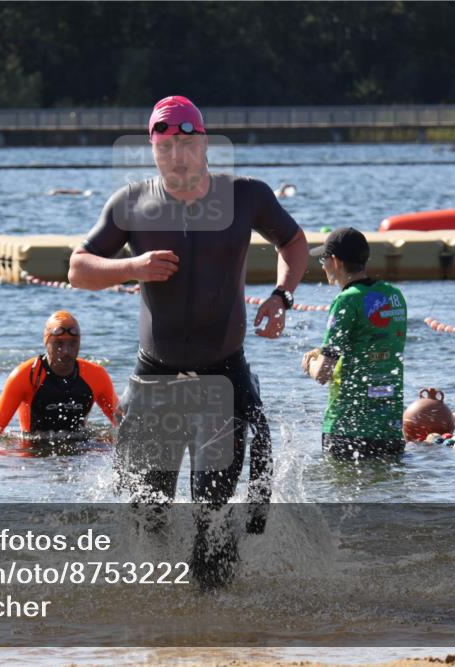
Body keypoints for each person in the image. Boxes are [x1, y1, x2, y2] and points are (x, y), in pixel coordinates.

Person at [68, 95, 308, 515]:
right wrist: (132, 266)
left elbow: (292, 241)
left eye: (186, 145)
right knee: (147, 513)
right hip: (156, 379)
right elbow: (78, 269)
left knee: (212, 513)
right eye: (164, 148)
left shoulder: (245, 196)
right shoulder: (132, 203)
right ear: (152, 150)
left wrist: (281, 295)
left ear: (205, 144)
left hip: (223, 374)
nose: (176, 157)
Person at [302, 227, 407, 461]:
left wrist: (310, 362)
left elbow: (323, 373)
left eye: (323, 259)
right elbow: (372, 341)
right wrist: (323, 351)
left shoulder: (346, 301)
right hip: (389, 429)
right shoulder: (394, 295)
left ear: (336, 262)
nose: (322, 265)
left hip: (348, 429)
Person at [0, 311, 118, 437]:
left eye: (73, 343)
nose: (66, 351)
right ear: (46, 343)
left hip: (81, 450)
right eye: (58, 343)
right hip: (33, 453)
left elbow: (125, 424)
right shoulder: (25, 375)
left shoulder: (96, 376)